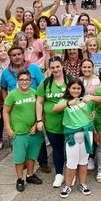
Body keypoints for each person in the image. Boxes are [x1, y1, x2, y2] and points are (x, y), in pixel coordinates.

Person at [53, 78, 97, 198]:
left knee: (83, 161)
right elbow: (55, 109)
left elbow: (100, 100)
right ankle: (67, 186)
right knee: (71, 162)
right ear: (68, 88)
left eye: (78, 88)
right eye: (73, 88)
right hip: (72, 136)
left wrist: (91, 98)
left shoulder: (86, 99)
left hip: (86, 134)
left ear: (82, 89)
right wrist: (68, 103)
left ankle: (82, 184)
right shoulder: (64, 100)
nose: (76, 90)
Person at [3, 70, 45, 192]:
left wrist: (37, 123)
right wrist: (8, 128)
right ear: (17, 81)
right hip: (19, 132)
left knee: (32, 155)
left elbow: (40, 108)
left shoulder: (34, 93)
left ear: (30, 81)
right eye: (21, 80)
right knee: (19, 157)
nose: (24, 82)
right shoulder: (13, 95)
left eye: (27, 80)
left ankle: (30, 175)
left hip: (33, 131)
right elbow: (5, 112)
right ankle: (20, 178)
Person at [37, 57, 70, 188]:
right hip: (51, 124)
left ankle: (70, 174)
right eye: (53, 67)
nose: (55, 69)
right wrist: (39, 120)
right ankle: (59, 174)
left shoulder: (71, 81)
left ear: (62, 66)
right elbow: (39, 102)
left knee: (70, 149)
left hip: (70, 123)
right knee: (57, 149)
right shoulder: (45, 83)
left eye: (58, 66)